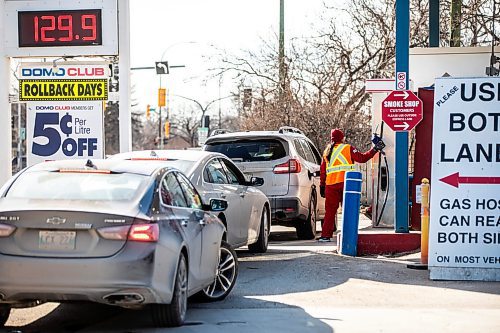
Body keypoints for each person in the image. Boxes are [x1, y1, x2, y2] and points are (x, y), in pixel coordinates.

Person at [318, 128, 385, 242]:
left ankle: (325, 236)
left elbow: (323, 172)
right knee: (348, 209)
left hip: (331, 185)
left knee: (330, 212)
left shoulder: (327, 151)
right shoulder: (347, 148)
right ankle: (348, 234)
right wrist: (375, 149)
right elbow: (362, 158)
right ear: (342, 138)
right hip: (346, 183)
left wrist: (322, 186)